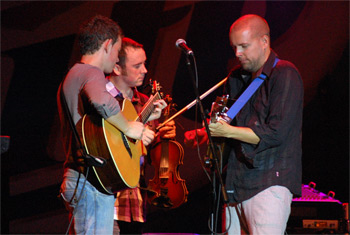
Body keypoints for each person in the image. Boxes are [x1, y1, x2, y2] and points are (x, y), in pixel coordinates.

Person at [184, 14, 303, 234]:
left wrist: (227, 131)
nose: (238, 53)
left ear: (264, 42)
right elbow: (232, 125)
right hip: (235, 186)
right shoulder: (236, 78)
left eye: (244, 46)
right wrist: (206, 134)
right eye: (234, 47)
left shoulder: (285, 74)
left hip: (268, 183)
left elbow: (275, 134)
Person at [57, 15, 166, 234]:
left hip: (79, 179)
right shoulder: (92, 73)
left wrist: (140, 122)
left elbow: (99, 135)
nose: (116, 59)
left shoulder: (72, 75)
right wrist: (128, 127)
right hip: (89, 183)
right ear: (107, 45)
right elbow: (101, 100)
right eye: (117, 51)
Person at [107, 37, 176, 234]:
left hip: (134, 202)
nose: (145, 70)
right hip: (105, 197)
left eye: (144, 63)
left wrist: (163, 139)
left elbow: (150, 159)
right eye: (137, 65)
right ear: (117, 68)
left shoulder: (145, 103)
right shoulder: (101, 99)